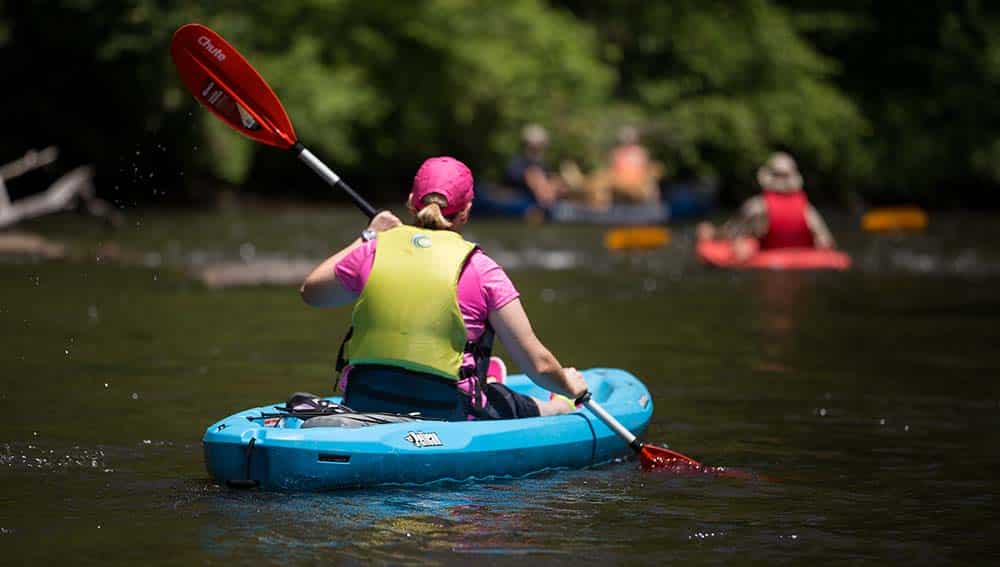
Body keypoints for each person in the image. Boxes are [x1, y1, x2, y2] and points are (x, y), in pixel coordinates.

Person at [300, 156, 588, 421]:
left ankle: (486, 380)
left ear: (412, 202)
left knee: (492, 393)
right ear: (466, 212)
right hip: (447, 409)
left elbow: (312, 293)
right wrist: (568, 384)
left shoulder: (372, 252)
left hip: (365, 400)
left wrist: (368, 236)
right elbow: (539, 365)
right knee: (506, 401)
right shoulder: (482, 269)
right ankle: (555, 408)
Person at [697, 152, 836, 257]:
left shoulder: (757, 206)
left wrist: (713, 234)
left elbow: (732, 232)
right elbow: (826, 241)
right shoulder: (807, 208)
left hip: (765, 255)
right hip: (801, 258)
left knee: (709, 231)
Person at [503, 124, 568, 209]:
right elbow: (531, 179)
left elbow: (555, 183)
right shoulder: (519, 163)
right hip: (522, 202)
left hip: (538, 204)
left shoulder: (543, 164)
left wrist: (556, 185)